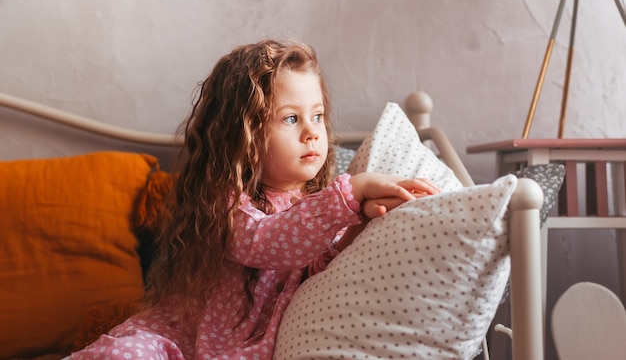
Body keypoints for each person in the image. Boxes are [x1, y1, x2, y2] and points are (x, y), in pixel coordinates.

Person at [69, 39, 440, 359]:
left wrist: (362, 222)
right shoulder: (230, 202)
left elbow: (324, 267)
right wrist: (350, 193)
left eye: (318, 115)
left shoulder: (317, 206)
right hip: (174, 346)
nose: (313, 132)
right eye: (291, 119)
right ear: (242, 134)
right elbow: (267, 241)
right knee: (125, 354)